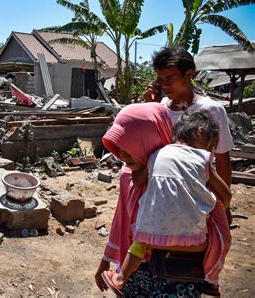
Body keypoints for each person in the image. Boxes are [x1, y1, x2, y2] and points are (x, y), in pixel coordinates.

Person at [95, 103, 231, 297]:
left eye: (130, 144)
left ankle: (122, 276)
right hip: (164, 264)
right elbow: (120, 220)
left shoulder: (158, 159)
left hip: (168, 264)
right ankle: (212, 280)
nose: (122, 153)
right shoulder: (200, 163)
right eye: (119, 147)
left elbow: (138, 184)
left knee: (142, 237)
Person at [143, 47, 234, 224]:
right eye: (161, 80)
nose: (165, 85)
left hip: (198, 197)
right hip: (161, 195)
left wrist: (225, 206)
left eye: (170, 78)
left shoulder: (212, 110)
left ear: (189, 74)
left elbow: (222, 159)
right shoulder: (159, 107)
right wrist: (149, 108)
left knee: (196, 246)